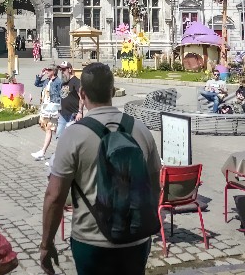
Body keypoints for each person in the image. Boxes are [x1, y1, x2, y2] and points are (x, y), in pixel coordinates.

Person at [41, 62, 161, 275]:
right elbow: (154, 186)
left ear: (82, 94)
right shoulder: (141, 130)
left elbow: (55, 196)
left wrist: (46, 243)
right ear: (113, 91)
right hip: (136, 239)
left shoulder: (73, 135)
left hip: (91, 240)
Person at [32, 66, 61, 161]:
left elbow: (61, 96)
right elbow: (36, 84)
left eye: (49, 70)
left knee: (53, 130)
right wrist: (41, 75)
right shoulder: (46, 81)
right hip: (46, 109)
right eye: (47, 70)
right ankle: (43, 152)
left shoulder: (58, 82)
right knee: (51, 130)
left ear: (54, 71)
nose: (47, 71)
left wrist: (58, 107)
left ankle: (45, 152)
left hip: (53, 110)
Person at [56, 61, 82, 139]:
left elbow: (82, 97)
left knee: (71, 137)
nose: (62, 72)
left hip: (73, 114)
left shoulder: (76, 81)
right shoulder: (64, 82)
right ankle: (60, 151)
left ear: (70, 69)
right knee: (59, 135)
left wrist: (80, 112)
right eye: (61, 70)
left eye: (64, 70)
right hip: (63, 114)